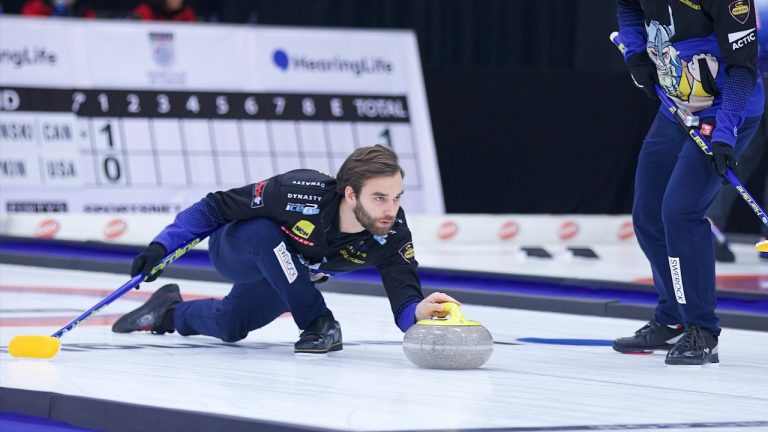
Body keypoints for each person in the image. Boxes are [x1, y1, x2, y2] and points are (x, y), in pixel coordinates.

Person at [112, 145, 460, 354]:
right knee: (267, 235)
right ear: (350, 194)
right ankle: (318, 321)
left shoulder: (392, 232)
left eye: (397, 198)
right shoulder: (297, 190)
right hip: (238, 248)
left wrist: (417, 312)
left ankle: (167, 312)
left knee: (232, 326)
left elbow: (403, 299)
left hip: (289, 275)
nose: (391, 209)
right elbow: (215, 206)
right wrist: (161, 247)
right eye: (380, 198)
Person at [613, 0, 764, 365]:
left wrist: (726, 135)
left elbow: (742, 71)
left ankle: (702, 330)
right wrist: (636, 55)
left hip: (725, 112)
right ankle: (673, 318)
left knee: (680, 213)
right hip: (675, 110)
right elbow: (629, 8)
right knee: (647, 215)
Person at [708, 0, 768, 263]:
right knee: (737, 154)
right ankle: (710, 225)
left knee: (739, 154)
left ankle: (710, 224)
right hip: (746, 77)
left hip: (743, 75)